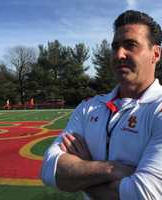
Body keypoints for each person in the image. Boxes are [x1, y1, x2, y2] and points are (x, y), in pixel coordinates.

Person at [41, 10, 162, 200]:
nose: (119, 54)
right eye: (115, 47)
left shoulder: (158, 109)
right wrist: (109, 169)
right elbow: (50, 169)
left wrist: (85, 168)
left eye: (131, 45)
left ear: (155, 53)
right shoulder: (89, 107)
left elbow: (145, 194)